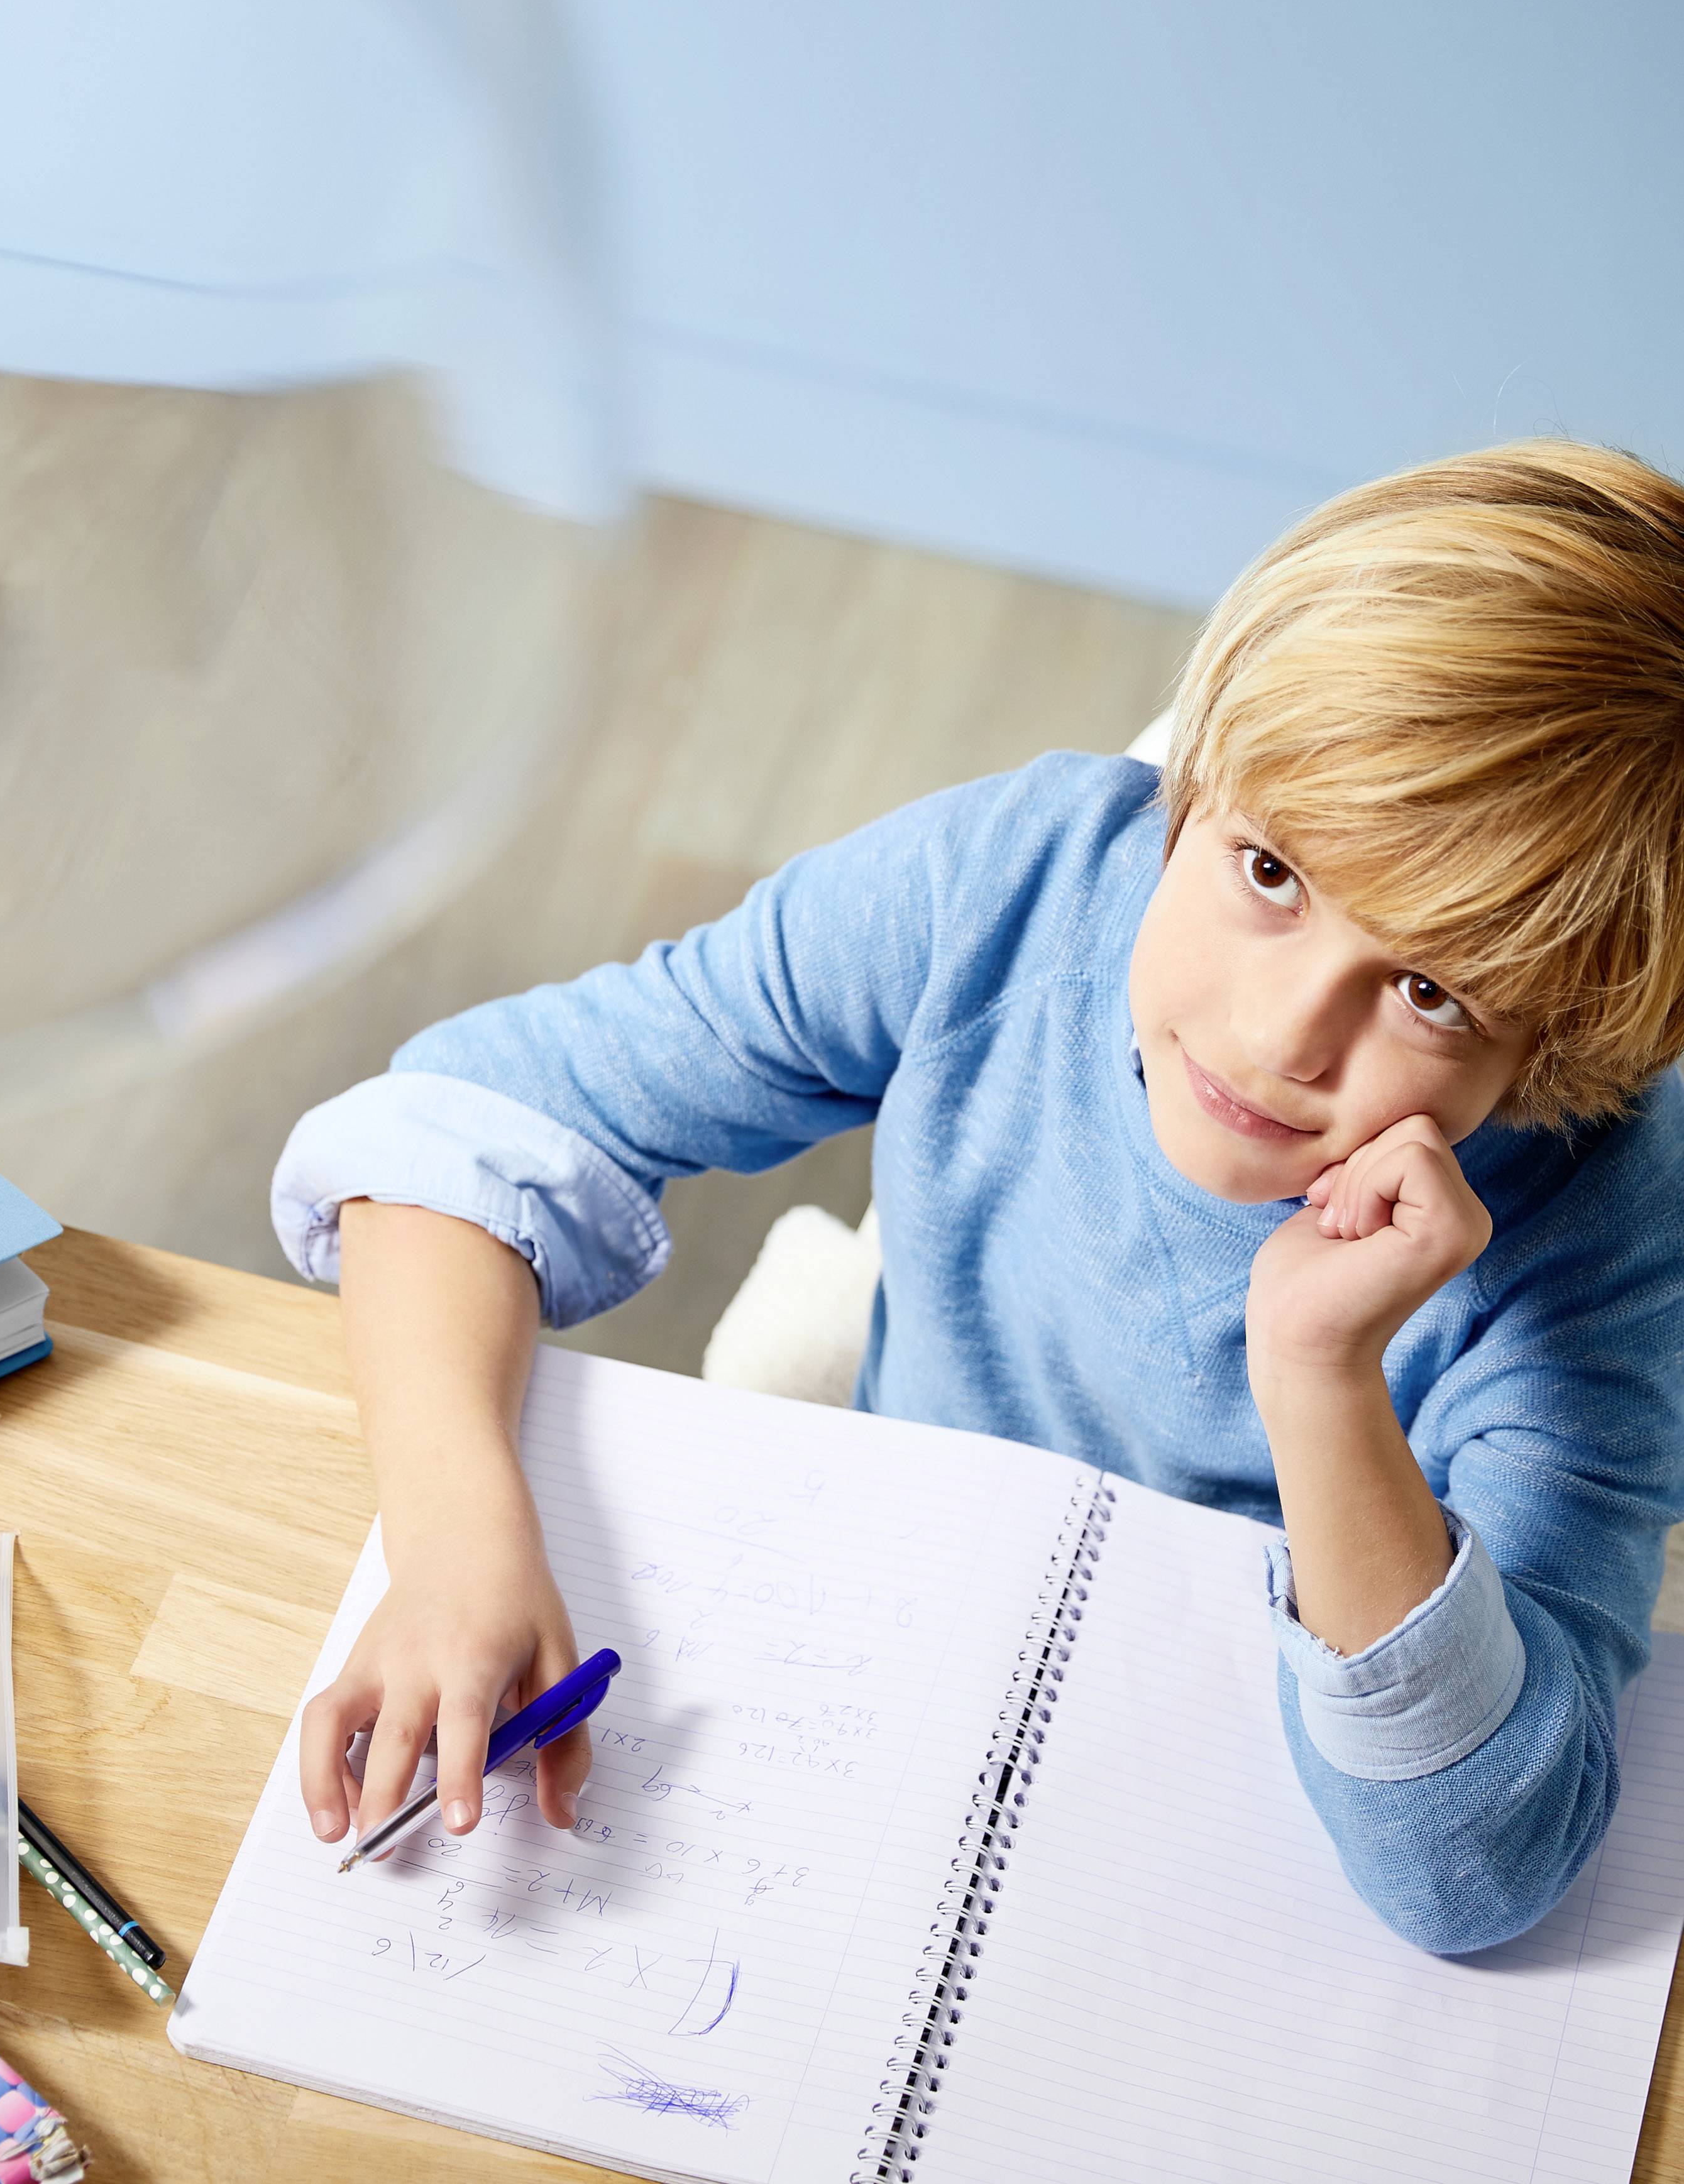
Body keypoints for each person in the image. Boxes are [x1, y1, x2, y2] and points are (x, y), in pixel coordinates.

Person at [272, 440, 1684, 1954]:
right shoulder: (1004, 886)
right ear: (1197, 784)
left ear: (1560, 1039)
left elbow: (1483, 1874)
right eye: (1268, 871)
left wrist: (1323, 1379)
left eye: (1427, 991)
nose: (1283, 1043)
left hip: (1208, 1815)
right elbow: (454, 1129)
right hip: (893, 1633)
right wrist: (455, 1542)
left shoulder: (1603, 1237)